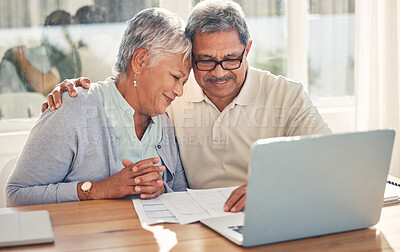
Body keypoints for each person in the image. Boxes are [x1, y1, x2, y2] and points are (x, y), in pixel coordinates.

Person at [43, 0, 331, 212]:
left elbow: (332, 162)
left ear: (248, 50)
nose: (219, 72)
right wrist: (74, 90)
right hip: (201, 223)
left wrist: (276, 187)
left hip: (273, 212)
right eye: (205, 60)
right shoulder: (173, 96)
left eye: (231, 58)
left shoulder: (287, 95)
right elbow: (130, 87)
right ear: (191, 57)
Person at [6, 8, 191, 207]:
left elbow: (180, 195)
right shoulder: (73, 107)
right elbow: (17, 196)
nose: (179, 91)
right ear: (140, 61)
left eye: (184, 82)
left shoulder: (163, 118)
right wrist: (99, 189)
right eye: (175, 77)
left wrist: (162, 190)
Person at [0, 10, 81, 95]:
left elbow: (43, 86)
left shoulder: (71, 58)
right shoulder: (35, 54)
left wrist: (18, 57)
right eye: (47, 26)